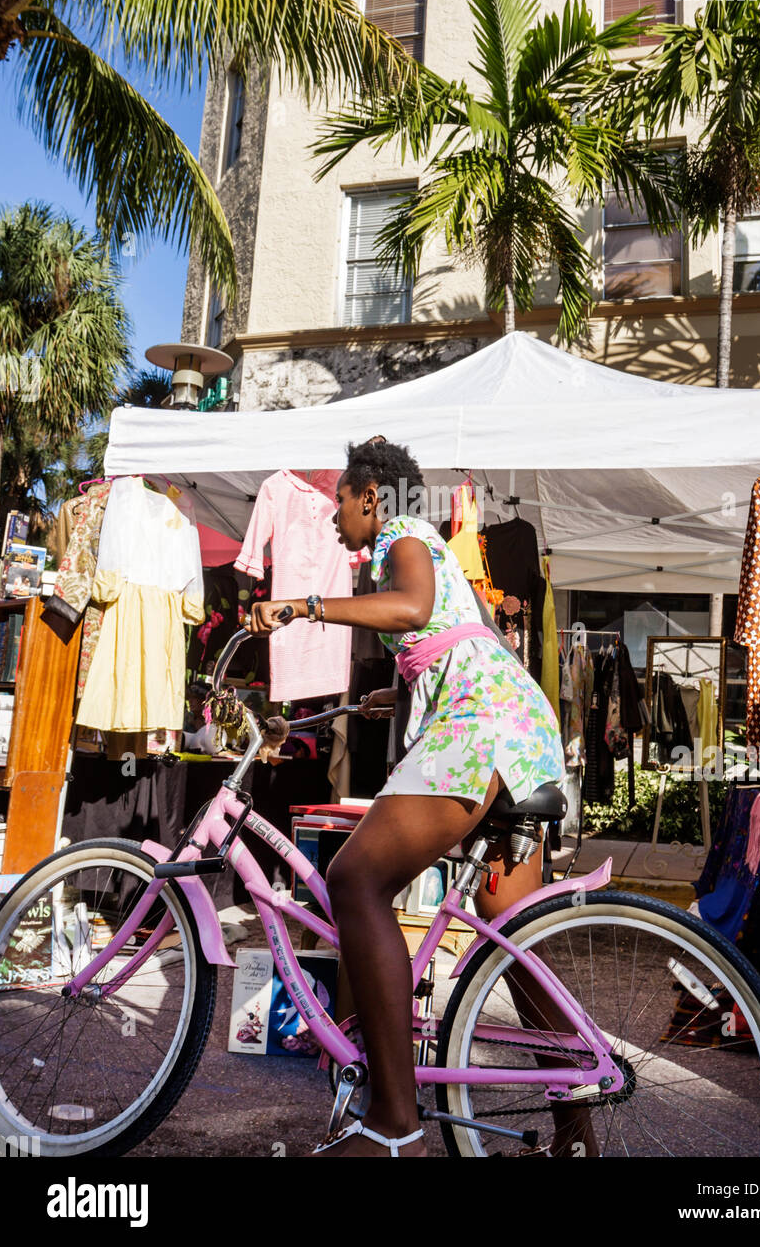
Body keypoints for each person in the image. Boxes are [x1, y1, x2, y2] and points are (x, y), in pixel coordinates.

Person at [250, 437, 575, 1159]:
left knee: (355, 880)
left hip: (480, 725)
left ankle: (394, 1123)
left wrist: (304, 606)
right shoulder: (420, 542)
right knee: (513, 936)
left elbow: (412, 607)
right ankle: (578, 1117)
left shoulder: (404, 532)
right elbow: (448, 628)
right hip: (517, 725)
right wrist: (397, 690)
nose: (335, 513)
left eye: (339, 497)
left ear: (372, 495)